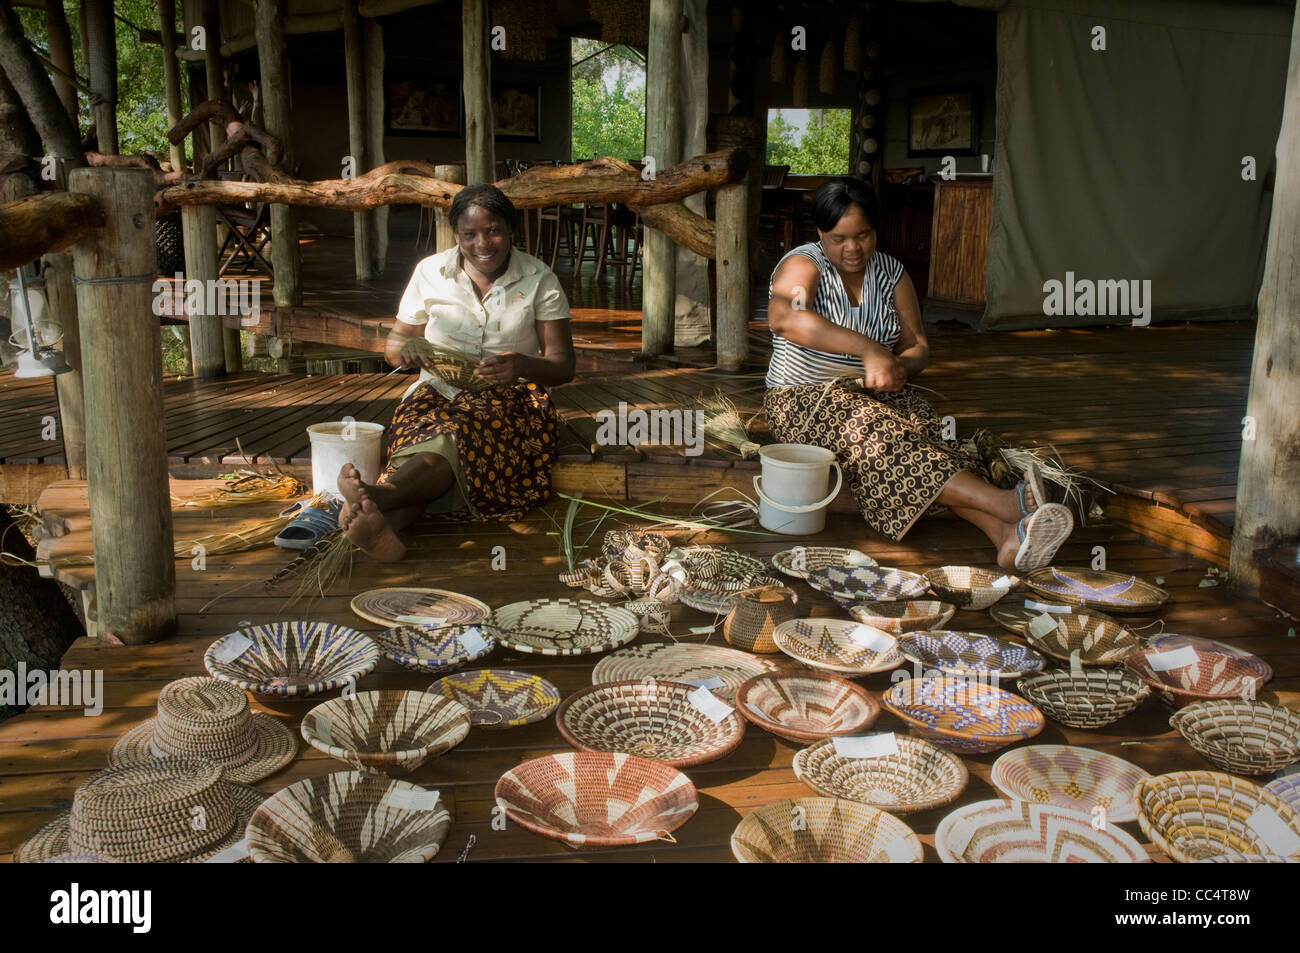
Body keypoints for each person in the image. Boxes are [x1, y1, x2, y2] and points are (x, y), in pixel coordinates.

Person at [764, 177, 1073, 570]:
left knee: (932, 434)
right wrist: (870, 349)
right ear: (821, 233)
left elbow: (918, 347)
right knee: (878, 438)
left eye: (863, 235)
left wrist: (899, 366)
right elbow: (784, 317)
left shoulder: (892, 273)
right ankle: (1007, 504)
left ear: (876, 230)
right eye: (839, 238)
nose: (853, 248)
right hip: (804, 399)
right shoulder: (803, 263)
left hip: (876, 392)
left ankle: (1006, 538)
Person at [337, 184, 575, 561]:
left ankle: (381, 497)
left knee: (455, 433)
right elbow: (393, 349)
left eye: (494, 230)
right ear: (456, 236)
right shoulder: (430, 272)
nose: (483, 243)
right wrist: (409, 350)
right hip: (436, 392)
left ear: (511, 229)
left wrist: (522, 364)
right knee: (428, 434)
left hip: (513, 402)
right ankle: (389, 525)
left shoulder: (538, 278)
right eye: (470, 234)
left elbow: (563, 365)